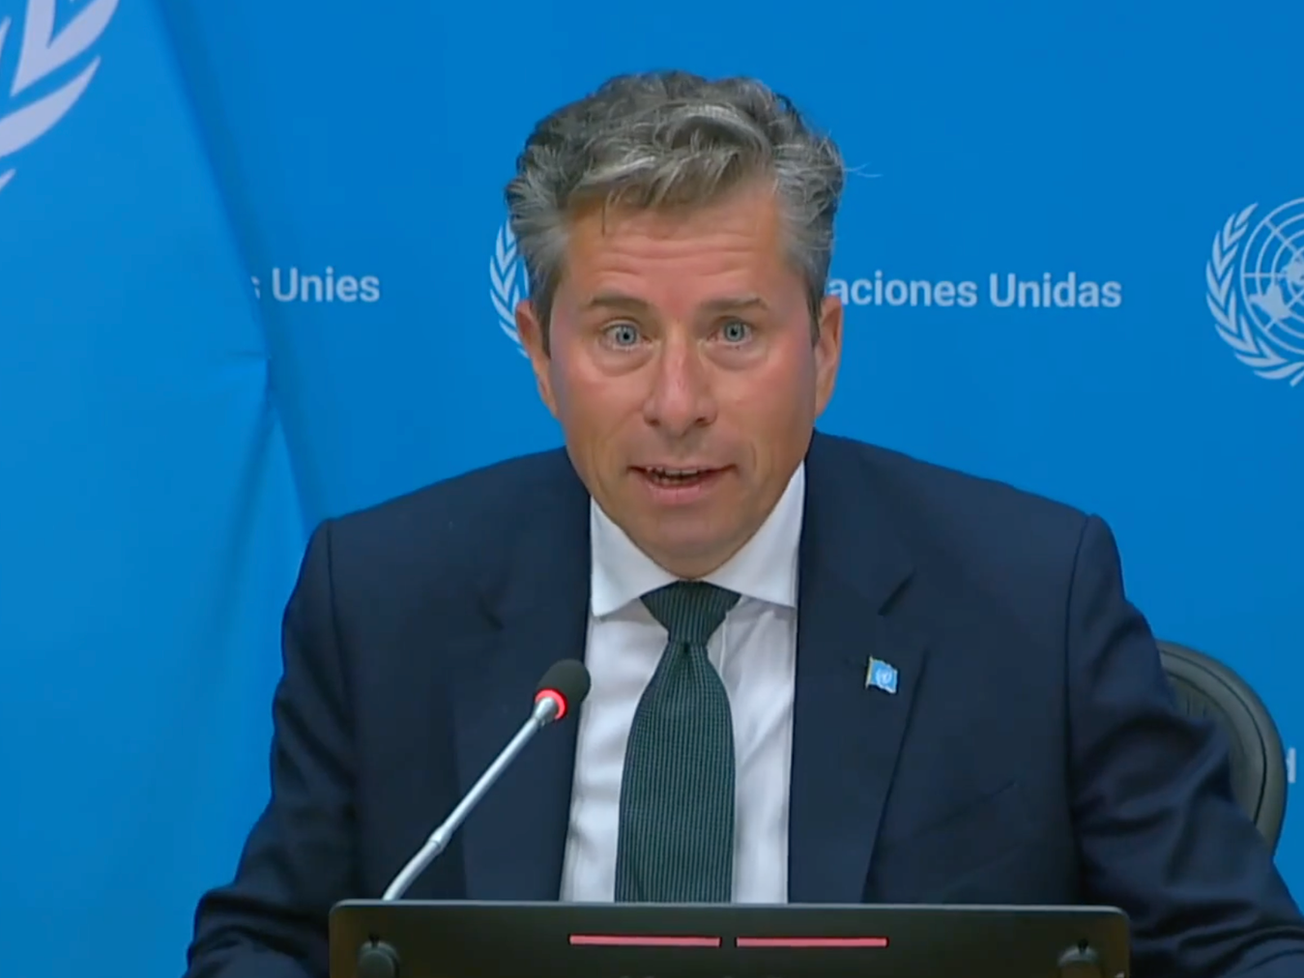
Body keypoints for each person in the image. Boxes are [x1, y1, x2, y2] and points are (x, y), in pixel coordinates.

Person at [184, 71, 1304, 977]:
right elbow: (262, 944)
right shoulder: (384, 595)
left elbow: (1241, 950)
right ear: (537, 351)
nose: (676, 403)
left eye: (731, 331)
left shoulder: (1028, 593)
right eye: (621, 336)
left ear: (820, 349)